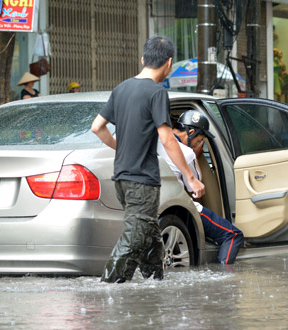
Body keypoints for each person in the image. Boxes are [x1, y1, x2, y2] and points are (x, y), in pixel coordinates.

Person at [91, 36, 205, 283]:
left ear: (143, 59)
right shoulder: (156, 93)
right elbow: (167, 139)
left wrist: (120, 147)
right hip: (142, 180)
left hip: (121, 177)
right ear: (169, 63)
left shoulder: (121, 89)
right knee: (134, 237)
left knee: (149, 233)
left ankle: (156, 283)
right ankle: (107, 288)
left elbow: (97, 127)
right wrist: (191, 177)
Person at [157, 110, 244, 264]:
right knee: (233, 235)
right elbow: (196, 189)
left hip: (155, 202)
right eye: (200, 140)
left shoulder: (155, 141)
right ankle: (225, 276)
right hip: (182, 207)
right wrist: (196, 156)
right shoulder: (186, 152)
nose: (200, 145)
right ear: (190, 132)